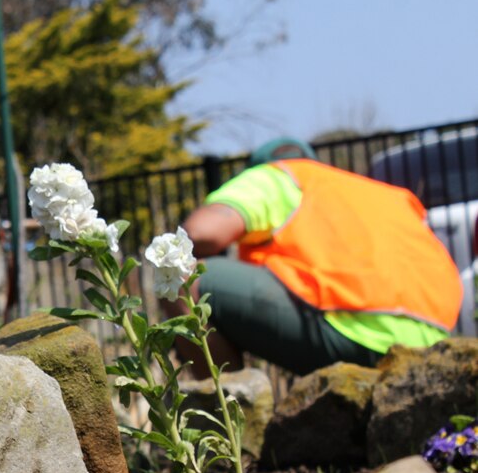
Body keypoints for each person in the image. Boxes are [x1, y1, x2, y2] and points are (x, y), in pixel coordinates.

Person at [173, 136, 463, 377]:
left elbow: (201, 233)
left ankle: (230, 429)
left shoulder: (280, 176)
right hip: (432, 340)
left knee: (178, 275)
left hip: (350, 331)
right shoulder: (381, 194)